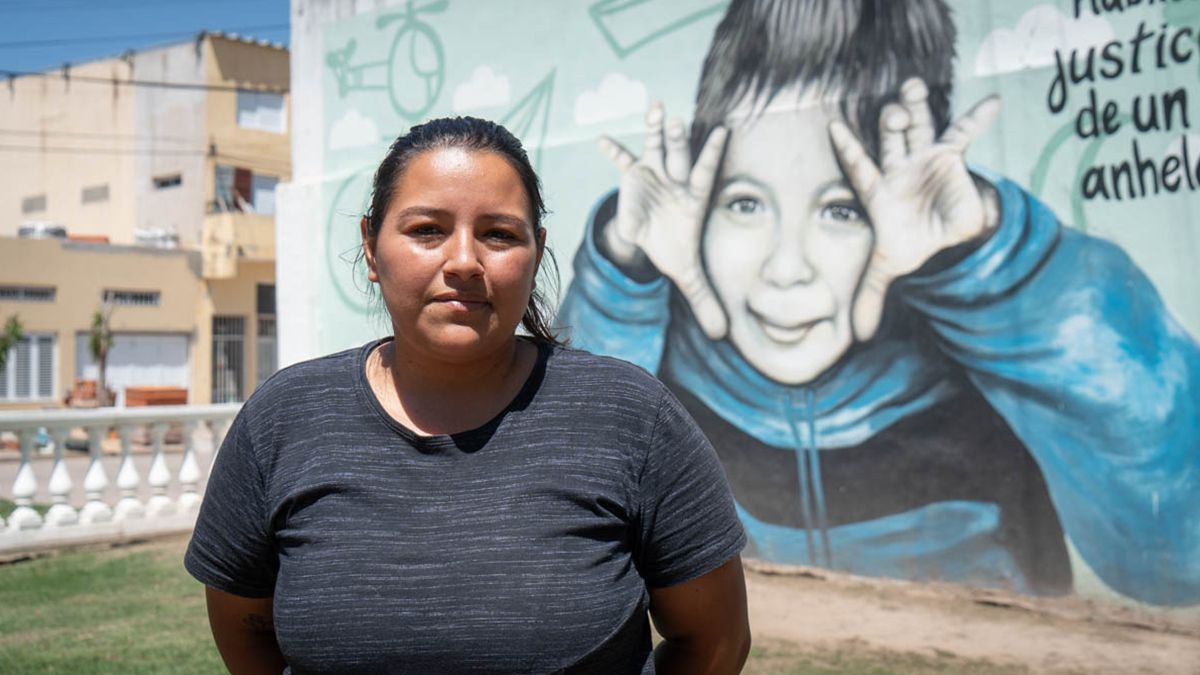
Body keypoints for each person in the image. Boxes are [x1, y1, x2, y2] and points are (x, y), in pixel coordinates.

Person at [560, 0, 1200, 605]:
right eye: (745, 203)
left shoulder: (987, 355)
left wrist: (986, 258)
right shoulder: (658, 365)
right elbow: (559, 487)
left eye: (843, 209)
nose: (787, 269)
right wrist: (625, 263)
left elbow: (1178, 559)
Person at [185, 117, 751, 674]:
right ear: (370, 245)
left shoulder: (631, 416)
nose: (463, 262)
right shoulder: (284, 419)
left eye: (499, 234)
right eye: (427, 230)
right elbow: (246, 633)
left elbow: (714, 642)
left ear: (537, 252)